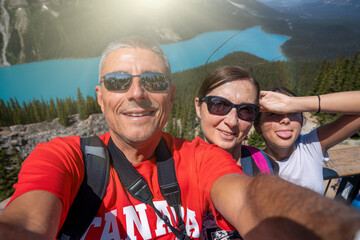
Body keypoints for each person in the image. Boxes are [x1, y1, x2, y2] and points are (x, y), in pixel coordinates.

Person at [0, 36, 360, 240]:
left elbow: (250, 196)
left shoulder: (199, 157)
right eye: (117, 82)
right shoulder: (65, 157)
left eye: (153, 82)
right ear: (100, 96)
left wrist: (330, 228)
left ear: (170, 97)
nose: (136, 92)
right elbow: (26, 222)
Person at [195, 66, 278, 239]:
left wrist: (295, 104)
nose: (232, 121)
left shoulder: (264, 165)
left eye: (246, 110)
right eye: (219, 105)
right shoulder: (175, 168)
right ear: (198, 106)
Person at [254, 87, 360, 194]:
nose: (285, 120)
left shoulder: (310, 146)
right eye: (272, 114)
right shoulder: (249, 163)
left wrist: (294, 103)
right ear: (258, 126)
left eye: (292, 112)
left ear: (301, 120)